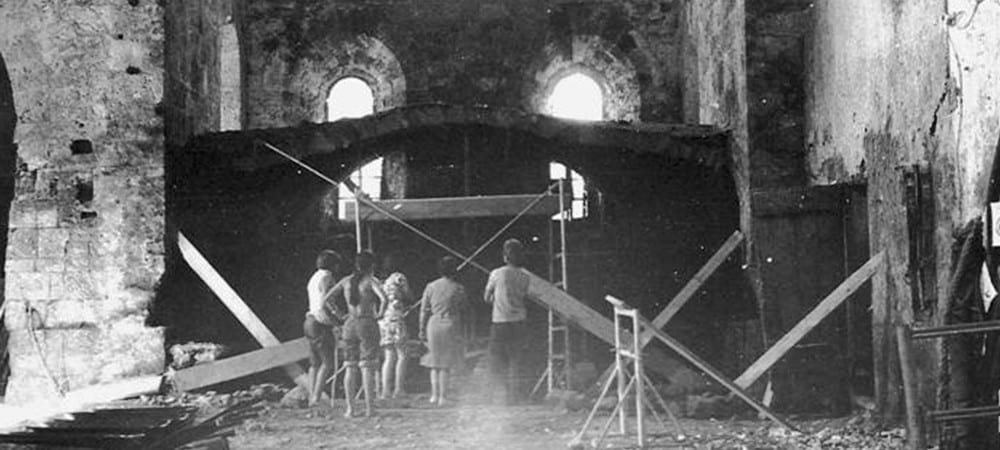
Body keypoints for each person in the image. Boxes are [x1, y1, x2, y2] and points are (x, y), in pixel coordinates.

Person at [330, 251, 386, 417]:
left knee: (350, 366)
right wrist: (380, 314)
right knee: (367, 367)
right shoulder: (371, 281)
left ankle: (350, 409)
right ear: (372, 266)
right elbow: (384, 298)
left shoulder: (346, 281)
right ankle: (370, 409)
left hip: (349, 324)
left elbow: (327, 299)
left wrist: (339, 315)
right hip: (366, 322)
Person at [484, 238, 530, 405]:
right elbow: (523, 296)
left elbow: (486, 297)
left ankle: (498, 396)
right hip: (519, 321)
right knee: (515, 360)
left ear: (505, 256)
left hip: (500, 322)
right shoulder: (525, 276)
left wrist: (497, 300)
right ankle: (513, 397)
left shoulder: (496, 273)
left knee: (497, 360)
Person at [419, 256, 468, 406]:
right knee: (446, 362)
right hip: (450, 323)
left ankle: (434, 395)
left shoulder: (431, 286)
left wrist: (421, 328)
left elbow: (423, 310)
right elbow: (463, 307)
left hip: (433, 324)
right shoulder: (458, 288)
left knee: (434, 361)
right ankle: (443, 396)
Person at [303, 250, 342, 407]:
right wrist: (338, 318)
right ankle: (316, 398)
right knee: (327, 363)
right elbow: (327, 300)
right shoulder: (327, 277)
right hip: (320, 322)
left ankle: (312, 396)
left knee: (315, 363)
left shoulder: (314, 277)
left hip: (310, 320)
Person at [378, 254, 413, 399]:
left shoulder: (380, 280)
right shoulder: (398, 277)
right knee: (403, 354)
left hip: (383, 319)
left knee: (389, 356)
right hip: (396, 317)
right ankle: (399, 389)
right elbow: (408, 295)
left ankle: (385, 390)